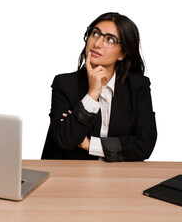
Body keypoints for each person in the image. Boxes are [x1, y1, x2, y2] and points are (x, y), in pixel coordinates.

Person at [41, 12, 157, 162]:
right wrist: (92, 93)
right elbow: (65, 140)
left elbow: (144, 145)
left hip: (118, 176)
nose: (97, 44)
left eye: (110, 39)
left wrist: (91, 145)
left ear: (122, 53)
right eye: (95, 34)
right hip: (70, 176)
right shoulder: (64, 84)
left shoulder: (137, 87)